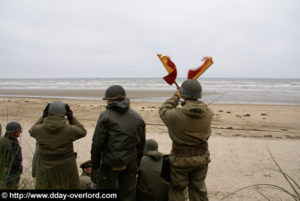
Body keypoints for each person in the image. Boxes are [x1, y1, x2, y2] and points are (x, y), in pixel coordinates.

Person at [159, 79, 213, 201]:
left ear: (183, 95)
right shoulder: (209, 113)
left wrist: (175, 97)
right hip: (201, 157)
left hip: (180, 160)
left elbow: (163, 109)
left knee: (177, 190)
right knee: (199, 190)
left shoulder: (175, 116)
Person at [91, 85, 146, 201]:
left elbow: (97, 144)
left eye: (107, 100)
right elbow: (141, 145)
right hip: (130, 162)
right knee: (128, 196)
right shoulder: (138, 118)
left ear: (110, 100)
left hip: (109, 163)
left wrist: (95, 166)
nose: (106, 103)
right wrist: (137, 163)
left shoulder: (105, 116)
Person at [29, 101, 87, 189]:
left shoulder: (39, 130)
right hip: (66, 166)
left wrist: (43, 117)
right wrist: (71, 118)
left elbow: (32, 130)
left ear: (48, 113)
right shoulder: (69, 130)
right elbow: (82, 131)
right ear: (65, 114)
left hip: (45, 166)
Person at [0, 121, 23, 189]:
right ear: (13, 132)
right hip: (10, 173)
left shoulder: (12, 139)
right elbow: (6, 162)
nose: (21, 132)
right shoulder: (7, 143)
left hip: (13, 171)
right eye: (19, 130)